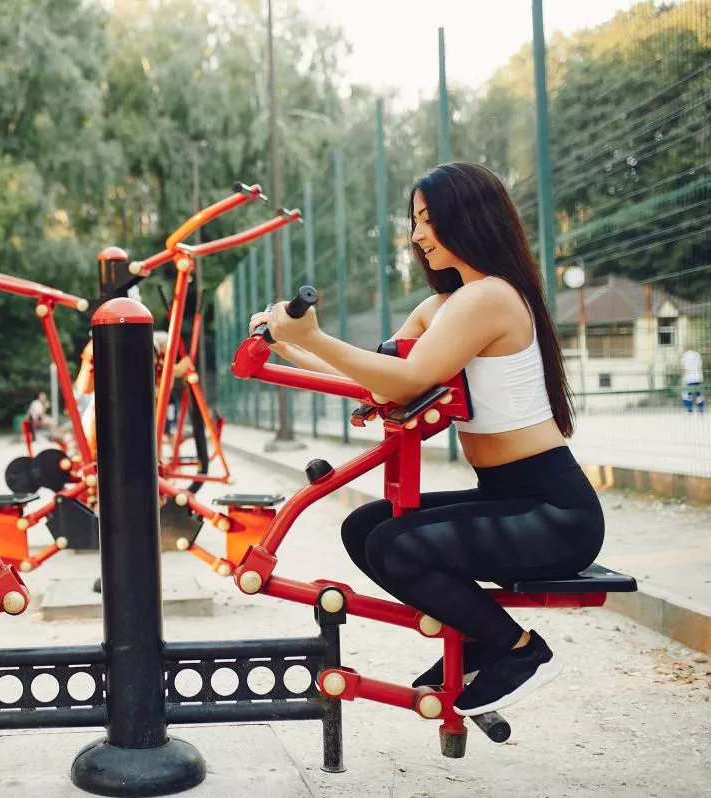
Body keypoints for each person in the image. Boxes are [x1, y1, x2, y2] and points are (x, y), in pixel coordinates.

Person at [250, 162, 604, 717]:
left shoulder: (489, 298)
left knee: (397, 544)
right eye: (414, 221)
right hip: (507, 498)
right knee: (367, 526)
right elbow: (377, 377)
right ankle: (482, 637)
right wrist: (292, 346)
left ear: (469, 219)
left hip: (555, 512)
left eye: (428, 220)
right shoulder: (447, 305)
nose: (416, 236)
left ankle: (519, 650)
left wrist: (313, 336)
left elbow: (412, 380)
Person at [680, 346, 704, 414]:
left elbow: (684, 368)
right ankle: (700, 408)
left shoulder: (684, 356)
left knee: (688, 394)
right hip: (698, 378)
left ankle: (689, 409)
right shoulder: (697, 354)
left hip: (688, 378)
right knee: (698, 394)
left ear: (686, 349)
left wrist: (682, 378)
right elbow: (700, 365)